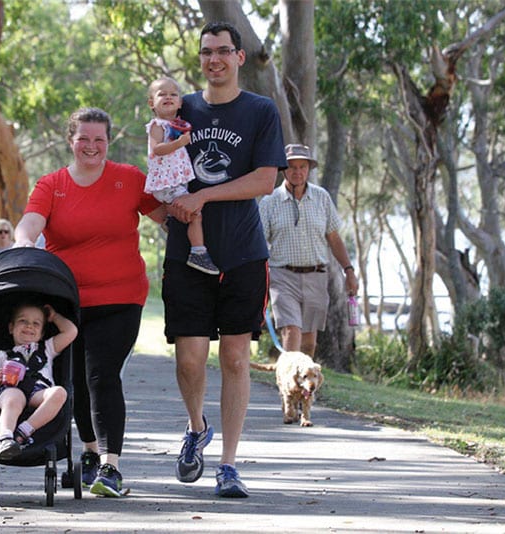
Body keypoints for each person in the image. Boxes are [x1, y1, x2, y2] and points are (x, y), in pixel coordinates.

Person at [162, 21, 287, 499]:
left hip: (242, 254)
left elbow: (264, 180)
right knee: (190, 358)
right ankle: (196, 428)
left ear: (238, 57)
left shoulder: (260, 110)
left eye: (223, 51)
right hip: (187, 255)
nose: (214, 59)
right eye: (206, 52)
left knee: (235, 359)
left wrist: (204, 197)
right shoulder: (182, 107)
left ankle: (229, 466)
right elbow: (159, 162)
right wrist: (169, 206)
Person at [13, 107, 165, 498]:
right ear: (71, 141)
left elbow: (166, 215)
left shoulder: (129, 180)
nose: (91, 147)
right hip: (68, 302)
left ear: (108, 142)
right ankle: (91, 454)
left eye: (99, 140)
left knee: (101, 375)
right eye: (84, 139)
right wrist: (24, 243)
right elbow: (30, 222)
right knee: (75, 380)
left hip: (121, 297)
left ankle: (111, 466)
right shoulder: (52, 184)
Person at [258, 144, 359, 356]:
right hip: (283, 276)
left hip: (316, 276)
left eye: (302, 166)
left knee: (309, 342)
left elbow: (334, 237)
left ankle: (305, 387)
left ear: (308, 169)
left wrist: (348, 270)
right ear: (283, 169)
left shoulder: (321, 198)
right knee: (292, 330)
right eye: (292, 167)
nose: (297, 172)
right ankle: (288, 387)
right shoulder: (270, 202)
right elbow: (259, 242)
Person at [145, 76, 218, 275]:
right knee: (196, 214)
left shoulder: (177, 124)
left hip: (175, 180)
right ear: (152, 103)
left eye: (173, 94)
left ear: (180, 102)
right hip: (165, 183)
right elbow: (157, 149)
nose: (168, 97)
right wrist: (179, 143)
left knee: (187, 210)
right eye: (162, 94)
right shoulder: (157, 126)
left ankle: (171, 220)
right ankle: (198, 252)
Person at [0, 300, 77, 462]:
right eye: (23, 321)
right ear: (11, 327)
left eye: (36, 324)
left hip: (38, 392)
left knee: (59, 392)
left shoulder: (47, 349)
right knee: (14, 397)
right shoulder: (2, 355)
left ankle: (23, 431)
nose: (29, 326)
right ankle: (5, 438)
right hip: (10, 390)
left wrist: (54, 316)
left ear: (42, 333)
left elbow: (71, 331)